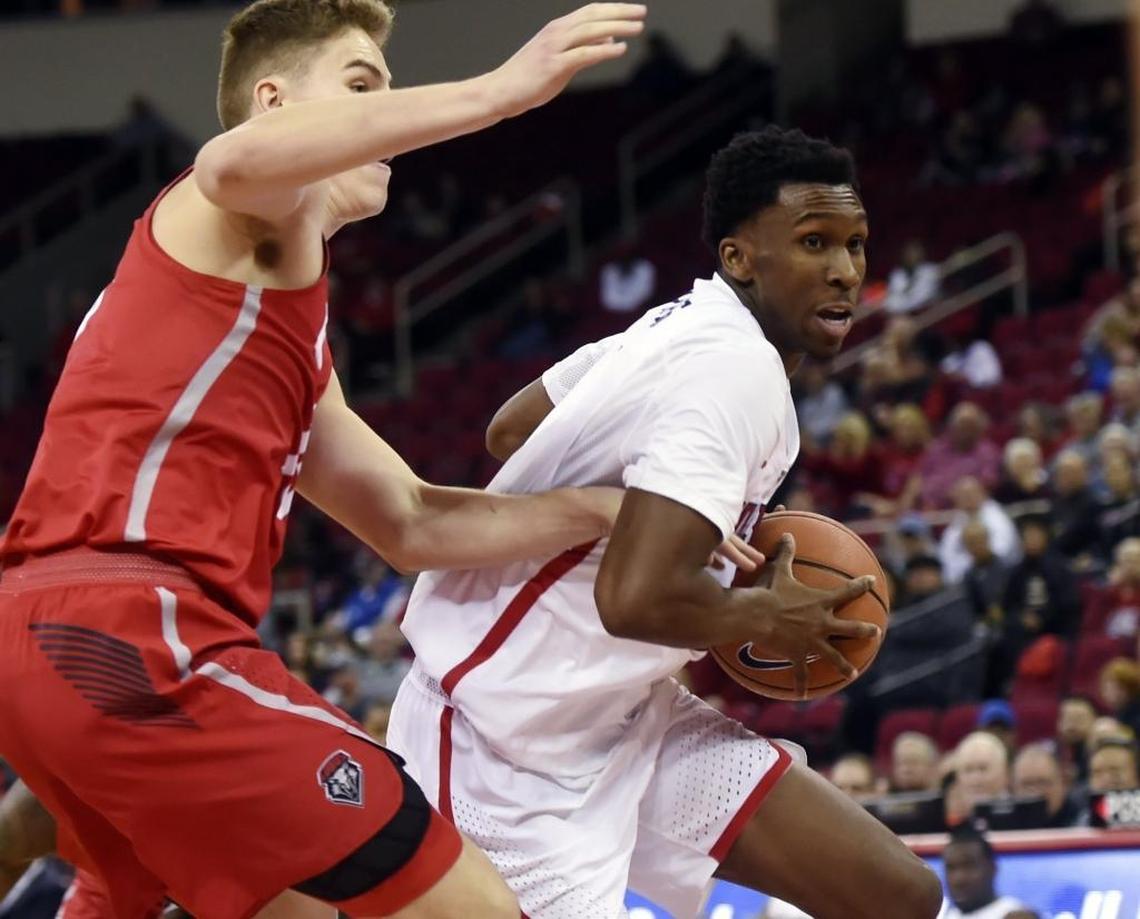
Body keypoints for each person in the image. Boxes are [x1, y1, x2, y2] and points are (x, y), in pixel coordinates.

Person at [0, 2, 656, 917]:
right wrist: (499, 93)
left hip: (52, 646)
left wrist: (601, 510)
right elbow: (234, 159)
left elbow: (412, 520)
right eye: (362, 86)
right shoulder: (220, 209)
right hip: (139, 631)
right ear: (274, 104)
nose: (388, 113)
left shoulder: (268, 326)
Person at [390, 127, 943, 919]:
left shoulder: (675, 325)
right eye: (814, 242)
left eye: (856, 244)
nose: (845, 270)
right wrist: (762, 612)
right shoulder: (730, 366)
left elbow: (512, 428)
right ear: (740, 258)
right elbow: (634, 597)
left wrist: (657, 506)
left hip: (624, 716)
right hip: (504, 750)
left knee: (896, 894)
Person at [940, 826, 1024, 919]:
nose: (959, 879)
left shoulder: (1015, 915)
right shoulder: (940, 916)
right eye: (951, 868)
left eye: (968, 866)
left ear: (992, 868)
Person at [1011, 744, 1083, 828]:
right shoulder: (1005, 825)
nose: (1036, 792)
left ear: (1062, 784)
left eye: (1043, 783)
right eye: (1027, 784)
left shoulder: (1082, 822)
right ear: (1013, 788)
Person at [955, 732, 1011, 815]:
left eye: (983, 769)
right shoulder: (948, 821)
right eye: (968, 770)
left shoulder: (1021, 819)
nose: (975, 778)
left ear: (1004, 773)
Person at [1056, 695, 1098, 786]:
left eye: (1079, 719)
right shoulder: (1051, 754)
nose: (1072, 725)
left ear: (1094, 721)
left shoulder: (1100, 755)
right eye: (1068, 719)